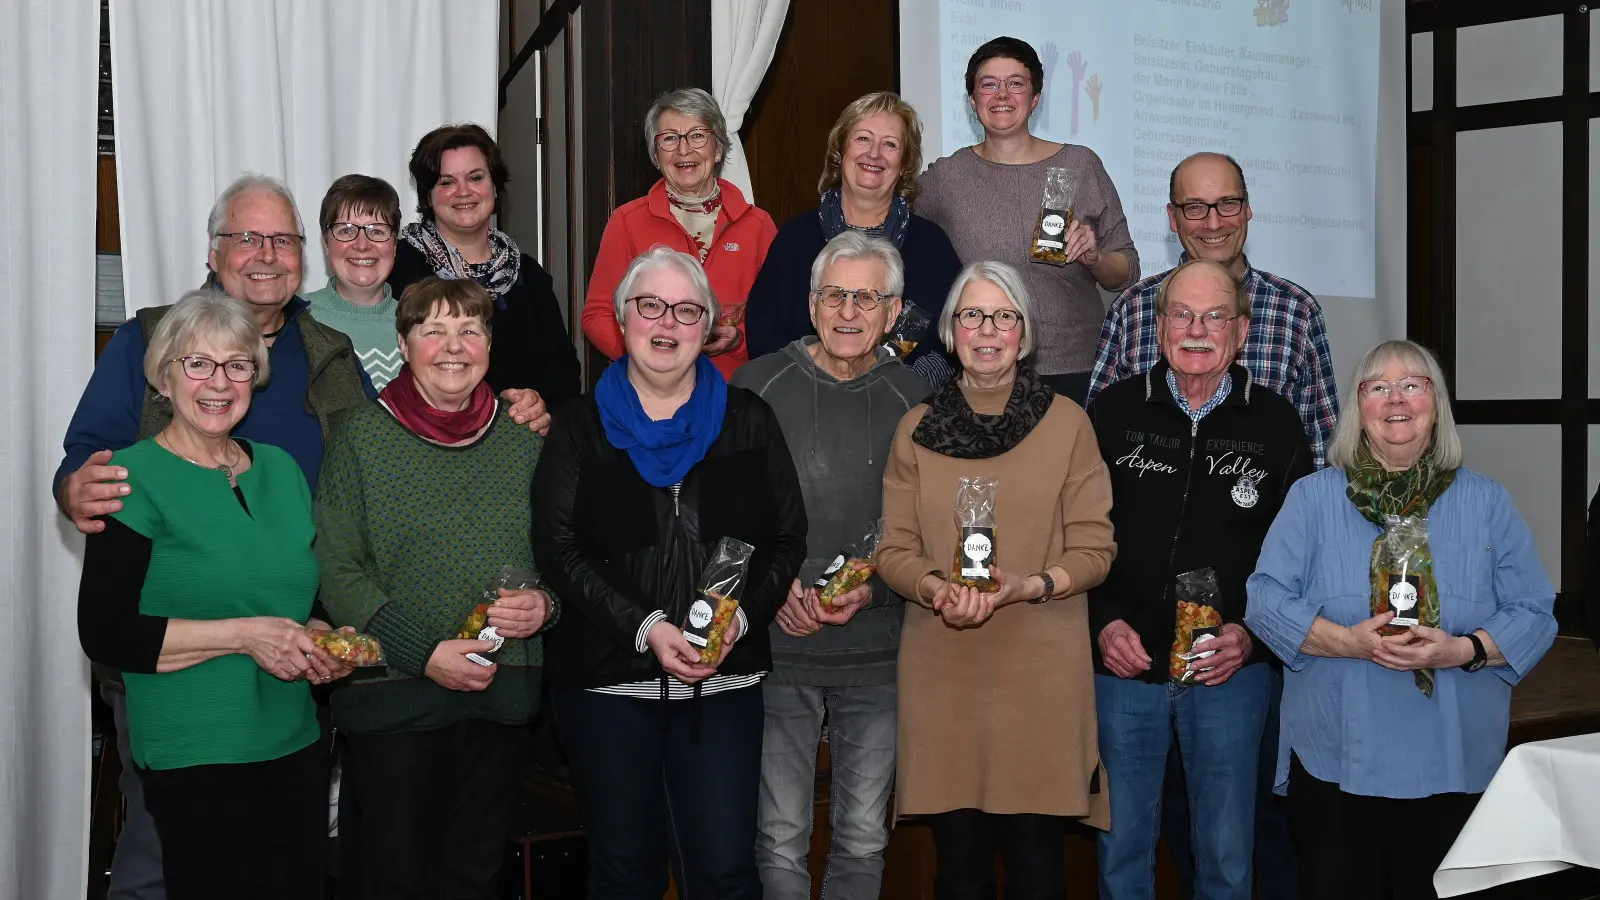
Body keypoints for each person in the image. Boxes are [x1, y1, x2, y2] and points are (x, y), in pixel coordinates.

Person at [56, 172, 382, 900]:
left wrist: (320, 633)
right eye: (198, 364)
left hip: (289, 728)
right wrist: (73, 487)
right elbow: (106, 620)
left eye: (283, 240)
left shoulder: (314, 388)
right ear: (165, 377)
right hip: (187, 725)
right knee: (160, 870)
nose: (218, 381)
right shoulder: (140, 416)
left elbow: (364, 482)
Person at [532, 247, 807, 900]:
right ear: (622, 318)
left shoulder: (749, 419)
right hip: (606, 689)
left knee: (726, 875)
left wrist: (741, 619)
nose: (666, 323)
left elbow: (786, 539)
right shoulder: (577, 427)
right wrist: (648, 627)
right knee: (624, 876)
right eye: (650, 305)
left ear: (707, 327)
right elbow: (557, 549)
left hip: (724, 689)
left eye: (686, 310)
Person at [1246, 340, 1558, 900]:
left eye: (1412, 385)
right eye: (1378, 387)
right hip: (1337, 759)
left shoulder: (1487, 502)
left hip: (1453, 756)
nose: (1396, 399)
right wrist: (1345, 641)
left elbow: (1534, 610)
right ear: (1357, 407)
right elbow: (1264, 600)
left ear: (1436, 405)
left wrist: (1462, 650)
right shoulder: (1311, 499)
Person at [876, 260, 1116, 900]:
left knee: (1038, 873)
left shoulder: (1068, 423)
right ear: (951, 331)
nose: (988, 330)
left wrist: (1029, 586)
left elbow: (1095, 549)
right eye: (973, 315)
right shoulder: (915, 428)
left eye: (1004, 316)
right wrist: (936, 589)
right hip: (944, 671)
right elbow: (893, 549)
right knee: (959, 874)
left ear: (1025, 333)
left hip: (1041, 673)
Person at [314, 277, 558, 900]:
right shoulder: (358, 437)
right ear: (403, 344)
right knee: (396, 879)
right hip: (394, 701)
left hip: (502, 696)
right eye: (434, 331)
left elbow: (565, 555)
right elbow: (337, 568)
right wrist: (423, 653)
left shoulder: (526, 439)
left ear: (489, 345)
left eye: (470, 330)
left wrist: (547, 606)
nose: (454, 346)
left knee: (475, 878)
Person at [1086, 259, 1314, 900]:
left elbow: (1300, 560)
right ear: (1159, 326)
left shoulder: (1276, 424)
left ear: (1241, 331)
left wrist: (1253, 636)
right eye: (1182, 315)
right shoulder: (1112, 412)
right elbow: (1075, 535)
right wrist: (1102, 623)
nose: (1196, 330)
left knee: (1227, 858)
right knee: (1120, 855)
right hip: (1124, 668)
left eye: (1215, 317)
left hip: (1229, 674)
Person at [732, 232, 931, 900]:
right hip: (779, 651)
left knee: (864, 838)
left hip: (877, 655)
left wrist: (874, 589)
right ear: (812, 302)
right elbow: (725, 511)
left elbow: (927, 528)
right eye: (835, 295)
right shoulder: (756, 384)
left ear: (893, 311)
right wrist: (769, 585)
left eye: (866, 298)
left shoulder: (916, 400)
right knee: (778, 836)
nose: (848, 311)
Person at [916, 37, 1139, 404]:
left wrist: (1095, 257)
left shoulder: (1080, 164)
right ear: (972, 100)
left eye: (1016, 83)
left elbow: (1127, 271)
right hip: (984, 368)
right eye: (989, 84)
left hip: (1074, 365)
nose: (1002, 94)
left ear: (1035, 98)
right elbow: (904, 239)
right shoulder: (946, 177)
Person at [1087, 152, 1339, 468]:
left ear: (1247, 208)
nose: (1214, 222)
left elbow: (1322, 452)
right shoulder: (1132, 310)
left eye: (1228, 203)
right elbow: (1091, 448)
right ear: (1172, 217)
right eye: (1195, 207)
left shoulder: (1296, 312)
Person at [745, 91, 961, 384]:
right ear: (840, 151)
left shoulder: (932, 247)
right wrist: (816, 389)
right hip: (804, 400)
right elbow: (763, 334)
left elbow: (952, 342)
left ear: (905, 164)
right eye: (863, 139)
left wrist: (901, 390)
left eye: (890, 144)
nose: (874, 153)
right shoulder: (795, 239)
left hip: (905, 402)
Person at [580, 87, 777, 379]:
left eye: (697, 135)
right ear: (656, 154)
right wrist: (647, 358)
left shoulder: (758, 225)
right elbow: (597, 316)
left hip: (735, 388)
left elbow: (778, 318)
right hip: (648, 390)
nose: (684, 150)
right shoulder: (626, 222)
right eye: (670, 138)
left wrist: (740, 340)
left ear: (718, 149)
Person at [389, 122, 581, 410]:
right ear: (428, 195)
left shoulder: (529, 276)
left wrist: (540, 407)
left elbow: (564, 376)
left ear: (494, 186)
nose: (463, 191)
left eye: (475, 177)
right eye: (446, 182)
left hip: (516, 432)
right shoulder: (398, 266)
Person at [304, 174, 404, 389]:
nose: (362, 245)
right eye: (346, 230)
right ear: (326, 243)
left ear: (395, 245)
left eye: (377, 231)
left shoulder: (420, 323)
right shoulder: (296, 319)